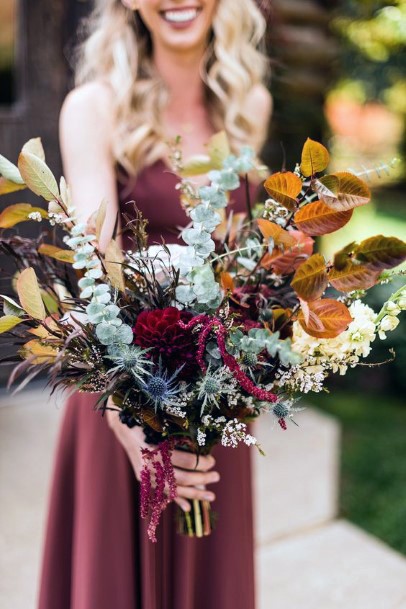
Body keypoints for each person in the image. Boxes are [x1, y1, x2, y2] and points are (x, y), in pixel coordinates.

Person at [38, 1, 272, 608]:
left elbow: (244, 263)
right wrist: (130, 422)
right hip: (123, 394)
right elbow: (95, 268)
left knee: (208, 579)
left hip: (217, 396)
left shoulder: (249, 107)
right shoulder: (95, 109)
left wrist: (259, 363)